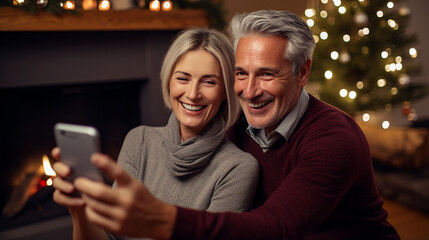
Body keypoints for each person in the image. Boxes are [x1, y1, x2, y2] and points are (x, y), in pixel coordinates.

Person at [55, 10, 400, 240]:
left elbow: (276, 226)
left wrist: (161, 219)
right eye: (240, 73)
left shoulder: (333, 140)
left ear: (303, 72)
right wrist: (81, 209)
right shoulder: (235, 129)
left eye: (267, 73)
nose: (249, 92)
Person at [51, 28, 260, 239]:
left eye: (209, 82)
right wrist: (79, 210)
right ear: (169, 81)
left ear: (225, 91)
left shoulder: (238, 168)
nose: (192, 94)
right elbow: (110, 235)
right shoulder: (139, 140)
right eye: (183, 78)